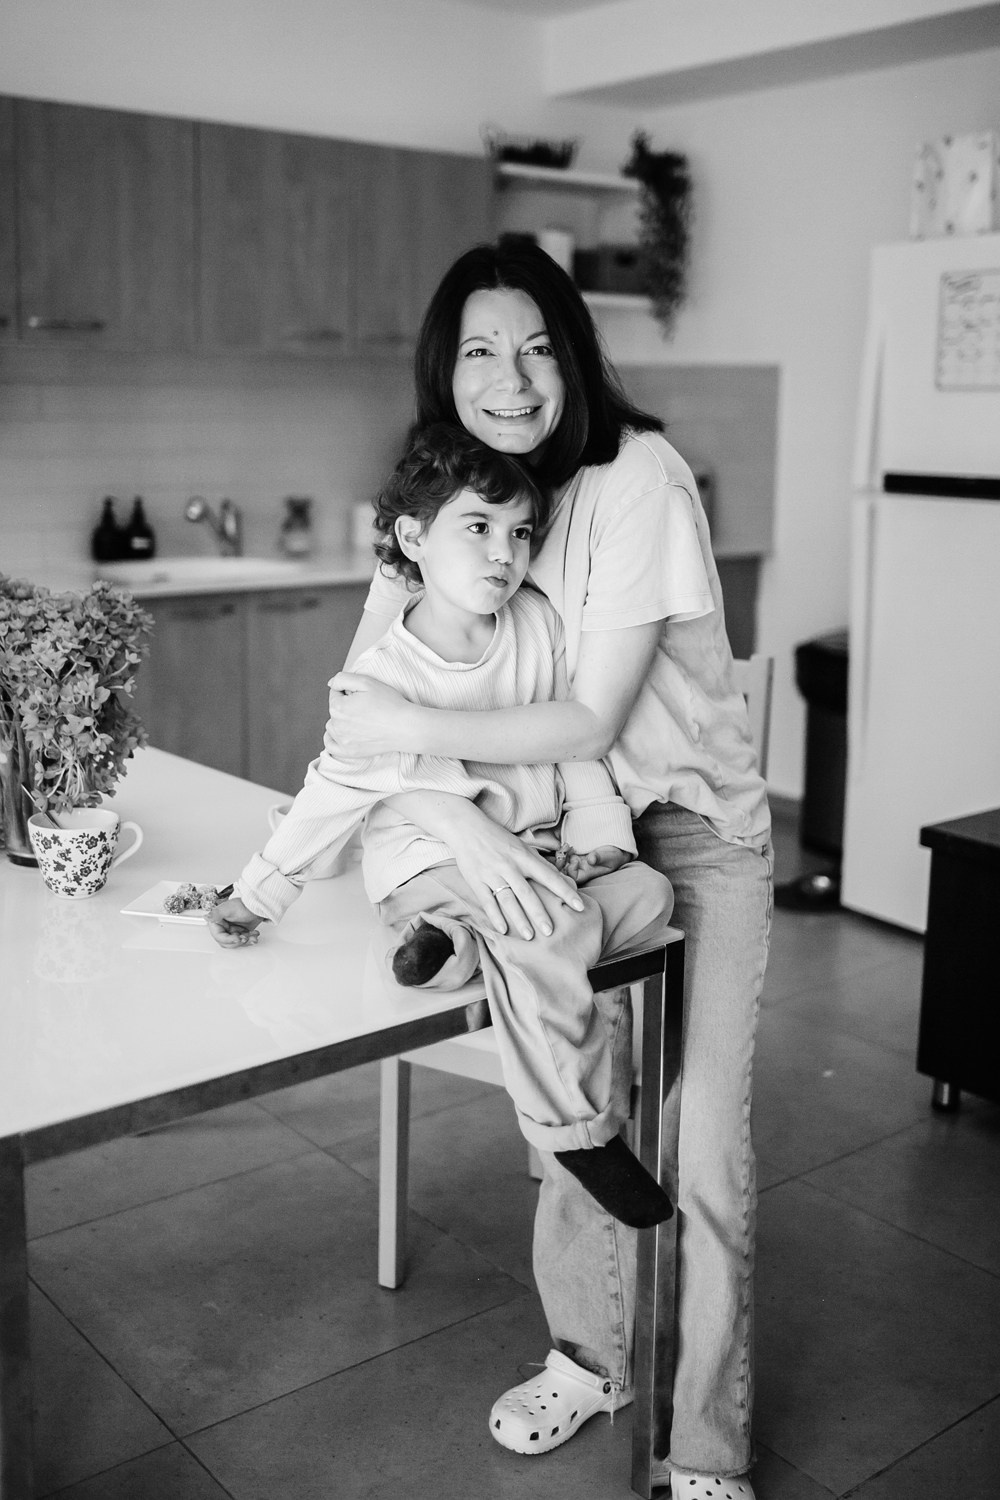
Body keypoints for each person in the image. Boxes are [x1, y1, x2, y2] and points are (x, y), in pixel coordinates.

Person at [327, 241, 773, 1496]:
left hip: (690, 835)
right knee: (587, 1105)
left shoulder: (636, 480)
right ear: (445, 371)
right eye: (479, 349)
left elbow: (584, 719)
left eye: (535, 345)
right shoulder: (447, 495)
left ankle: (705, 1451)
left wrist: (419, 760)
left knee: (702, 1151)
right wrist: (459, 825)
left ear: (573, 353)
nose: (510, 378)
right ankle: (589, 1356)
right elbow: (366, 698)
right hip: (543, 834)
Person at [207, 424, 675, 1230]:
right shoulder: (382, 679)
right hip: (431, 859)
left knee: (652, 895)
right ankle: (577, 1130)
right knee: (552, 924)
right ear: (414, 538)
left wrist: (603, 837)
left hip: (539, 853)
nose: (505, 552)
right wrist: (257, 893)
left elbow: (575, 751)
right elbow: (332, 790)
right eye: (479, 527)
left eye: (521, 532)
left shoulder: (538, 626)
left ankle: (450, 947)